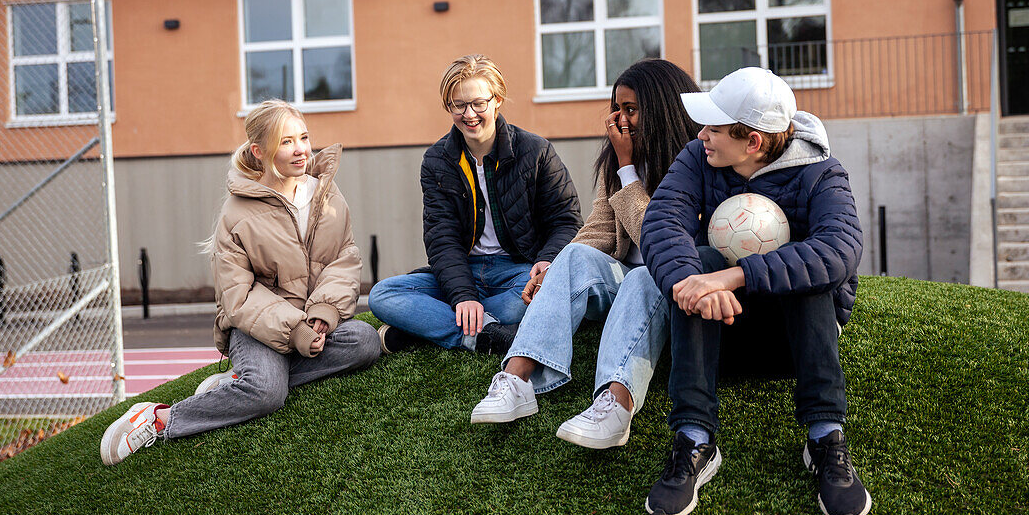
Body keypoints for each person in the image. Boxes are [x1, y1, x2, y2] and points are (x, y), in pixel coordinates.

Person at [639, 66, 870, 515]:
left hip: (793, 344)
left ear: (753, 142)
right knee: (699, 261)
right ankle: (694, 440)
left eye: (715, 128)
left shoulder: (822, 172)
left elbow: (838, 250)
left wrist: (733, 278)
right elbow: (662, 224)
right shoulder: (696, 159)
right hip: (716, 336)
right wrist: (697, 285)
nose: (701, 134)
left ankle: (826, 438)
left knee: (809, 276)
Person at [100, 100, 380, 466]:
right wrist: (294, 327)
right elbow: (238, 296)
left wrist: (324, 312)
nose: (300, 150)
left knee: (365, 341)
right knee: (268, 393)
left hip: (312, 322)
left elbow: (344, 256)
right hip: (253, 326)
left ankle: (238, 385)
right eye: (286, 142)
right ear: (259, 151)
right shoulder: (236, 212)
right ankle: (158, 419)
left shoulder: (327, 194)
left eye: (304, 137)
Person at [470, 59, 701, 449]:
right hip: (619, 280)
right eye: (618, 109)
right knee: (573, 258)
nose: (620, 120)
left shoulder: (696, 159)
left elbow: (659, 244)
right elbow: (596, 229)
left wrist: (628, 169)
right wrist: (554, 271)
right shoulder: (616, 159)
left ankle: (616, 404)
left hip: (667, 281)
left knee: (646, 275)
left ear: (661, 108)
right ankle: (517, 379)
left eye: (631, 110)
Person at [369, 54, 581, 354]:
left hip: (519, 271)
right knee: (383, 294)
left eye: (478, 103)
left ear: (497, 100)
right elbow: (441, 239)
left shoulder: (536, 151)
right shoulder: (436, 160)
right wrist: (463, 294)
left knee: (537, 297)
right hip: (463, 269)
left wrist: (547, 260)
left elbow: (567, 220)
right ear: (449, 107)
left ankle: (427, 330)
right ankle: (484, 333)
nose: (469, 114)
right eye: (459, 105)